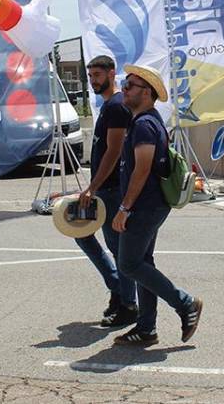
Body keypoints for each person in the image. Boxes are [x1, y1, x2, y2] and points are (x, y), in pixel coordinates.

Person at [110, 64, 202, 346]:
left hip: (144, 206)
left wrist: (124, 208)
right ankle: (147, 328)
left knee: (128, 263)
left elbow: (142, 169)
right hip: (149, 205)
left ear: (147, 93)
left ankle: (185, 303)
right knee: (142, 262)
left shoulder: (145, 125)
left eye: (130, 86)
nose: (124, 90)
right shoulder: (144, 122)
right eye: (124, 85)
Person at [73, 55, 138, 327]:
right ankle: (118, 291)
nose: (93, 81)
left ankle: (127, 304)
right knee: (82, 234)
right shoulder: (108, 105)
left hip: (111, 190)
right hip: (103, 189)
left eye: (97, 75)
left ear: (112, 74)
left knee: (116, 248)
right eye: (90, 76)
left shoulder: (116, 106)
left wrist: (93, 187)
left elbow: (114, 150)